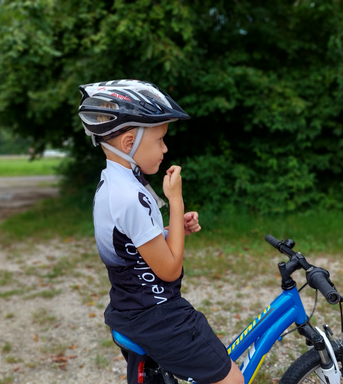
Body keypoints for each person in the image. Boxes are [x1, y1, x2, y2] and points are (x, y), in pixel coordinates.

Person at [77, 80, 244, 384]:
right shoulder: (130, 196)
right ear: (129, 143)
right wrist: (176, 202)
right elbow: (168, 269)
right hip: (158, 315)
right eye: (160, 140)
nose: (165, 148)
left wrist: (171, 230)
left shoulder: (114, 184)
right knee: (233, 380)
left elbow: (131, 245)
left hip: (130, 307)